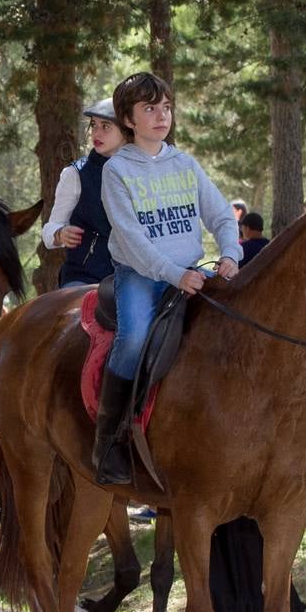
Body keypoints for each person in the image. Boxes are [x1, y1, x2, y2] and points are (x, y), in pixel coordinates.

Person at [93, 72, 241, 485]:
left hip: (192, 273)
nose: (161, 116)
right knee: (134, 338)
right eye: (149, 109)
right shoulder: (117, 170)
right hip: (142, 275)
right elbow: (132, 239)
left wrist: (230, 251)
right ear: (128, 118)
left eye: (166, 108)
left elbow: (218, 214)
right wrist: (174, 275)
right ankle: (110, 439)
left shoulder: (184, 163)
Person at [41, 97, 126, 288]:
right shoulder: (75, 174)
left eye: (105, 126)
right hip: (84, 277)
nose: (96, 132)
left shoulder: (143, 171)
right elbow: (49, 230)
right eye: (94, 125)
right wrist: (60, 234)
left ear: (126, 131)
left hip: (137, 275)